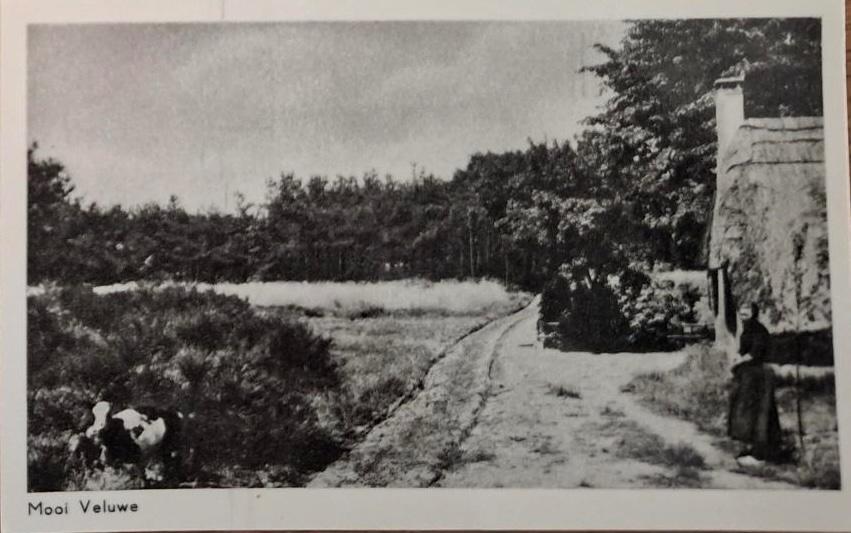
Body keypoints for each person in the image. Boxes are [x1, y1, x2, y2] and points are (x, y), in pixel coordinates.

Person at [727, 303, 783, 466]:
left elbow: (755, 353)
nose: (743, 318)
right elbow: (743, 349)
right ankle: (754, 449)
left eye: (746, 315)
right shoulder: (746, 330)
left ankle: (761, 455)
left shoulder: (759, 330)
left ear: (753, 315)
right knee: (746, 412)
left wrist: (740, 360)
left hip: (759, 377)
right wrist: (737, 357)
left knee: (761, 412)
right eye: (741, 315)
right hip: (748, 377)